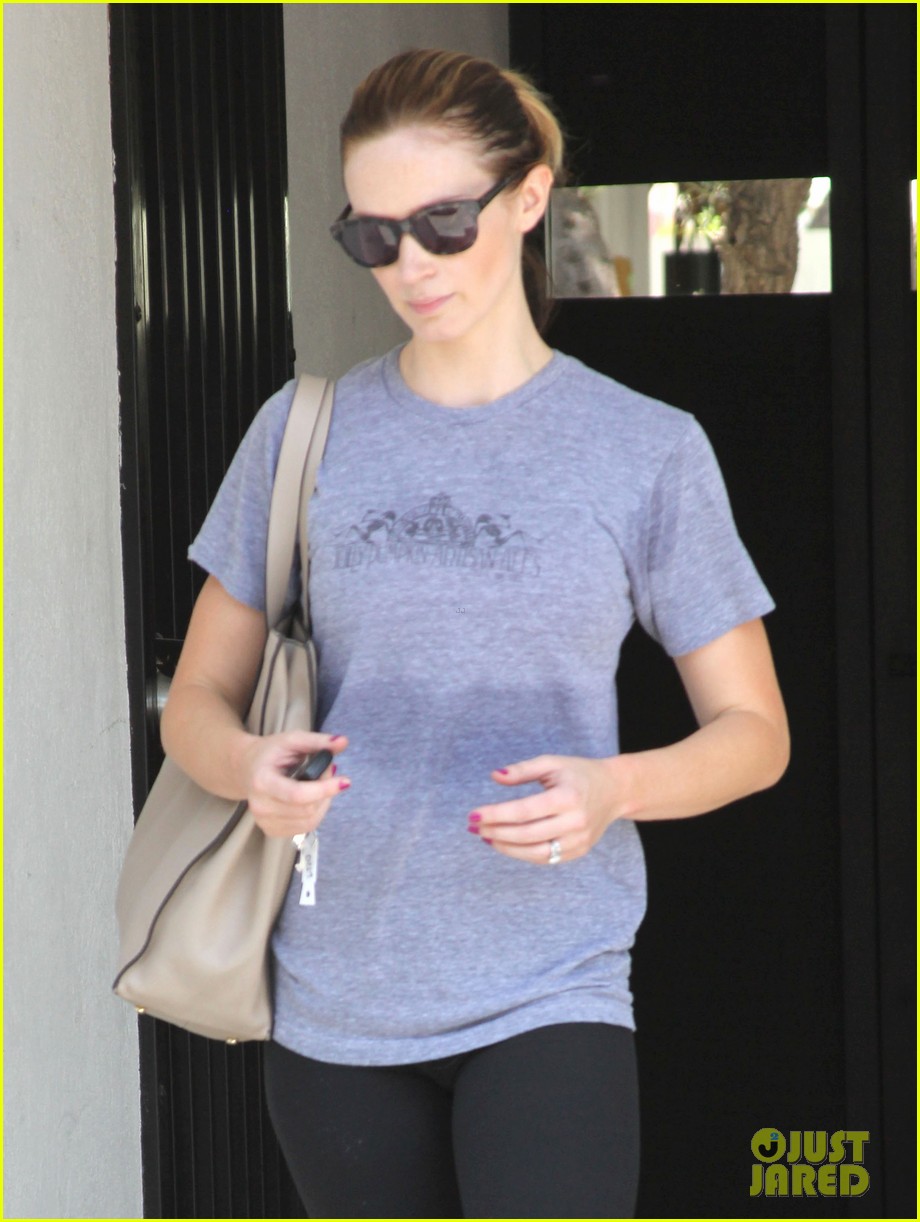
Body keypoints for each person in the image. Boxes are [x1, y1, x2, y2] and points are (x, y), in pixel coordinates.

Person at [161, 48, 790, 1220]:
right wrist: (249, 766)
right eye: (374, 235)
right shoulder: (301, 433)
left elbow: (754, 733)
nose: (410, 264)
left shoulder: (644, 450)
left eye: (443, 224)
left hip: (550, 984)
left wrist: (611, 789)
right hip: (336, 1004)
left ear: (528, 196)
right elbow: (193, 704)